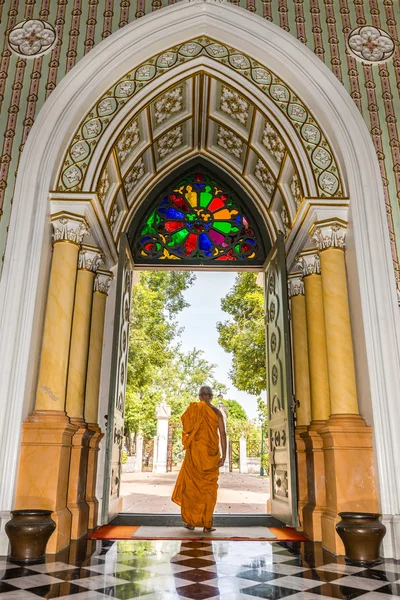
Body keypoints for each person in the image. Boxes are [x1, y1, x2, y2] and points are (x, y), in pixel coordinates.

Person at [171, 385, 227, 533]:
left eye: (206, 395)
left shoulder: (205, 411)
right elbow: (223, 434)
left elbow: (187, 429)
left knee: (199, 489)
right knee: (199, 489)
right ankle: (200, 523)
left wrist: (224, 455)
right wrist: (224, 455)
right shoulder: (206, 411)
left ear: (209, 396)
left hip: (203, 455)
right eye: (204, 394)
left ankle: (197, 523)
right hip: (198, 455)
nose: (205, 397)